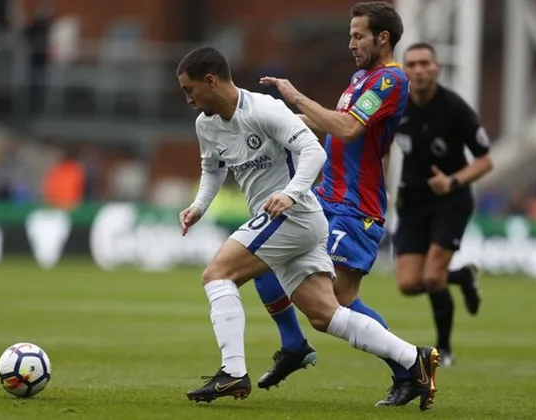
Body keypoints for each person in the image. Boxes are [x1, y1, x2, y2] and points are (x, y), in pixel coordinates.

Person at [177, 46, 440, 411]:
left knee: (217, 274)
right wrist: (198, 206)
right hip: (289, 219)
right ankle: (415, 358)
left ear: (211, 81)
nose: (188, 99)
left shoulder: (263, 109)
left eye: (189, 90)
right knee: (325, 315)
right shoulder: (206, 124)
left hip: (293, 214)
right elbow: (212, 168)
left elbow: (313, 151)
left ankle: (233, 371)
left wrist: (290, 193)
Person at [257, 1, 428, 407]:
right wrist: (268, 118)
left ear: (382, 37)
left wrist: (295, 96)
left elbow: (348, 127)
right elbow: (328, 121)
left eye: (357, 35)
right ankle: (297, 345)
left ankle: (411, 368)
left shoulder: (390, 81)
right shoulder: (361, 77)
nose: (350, 43)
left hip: (354, 208)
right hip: (326, 199)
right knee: (263, 255)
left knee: (331, 305)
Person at [391, 42, 493, 366]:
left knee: (434, 277)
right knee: (408, 284)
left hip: (450, 199)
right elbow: (380, 147)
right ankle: (462, 277)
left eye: (425, 63)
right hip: (412, 201)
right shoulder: (397, 105)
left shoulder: (454, 108)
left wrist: (453, 181)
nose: (419, 70)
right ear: (404, 70)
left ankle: (444, 349)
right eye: (413, 64)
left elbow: (485, 160)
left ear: (437, 69)